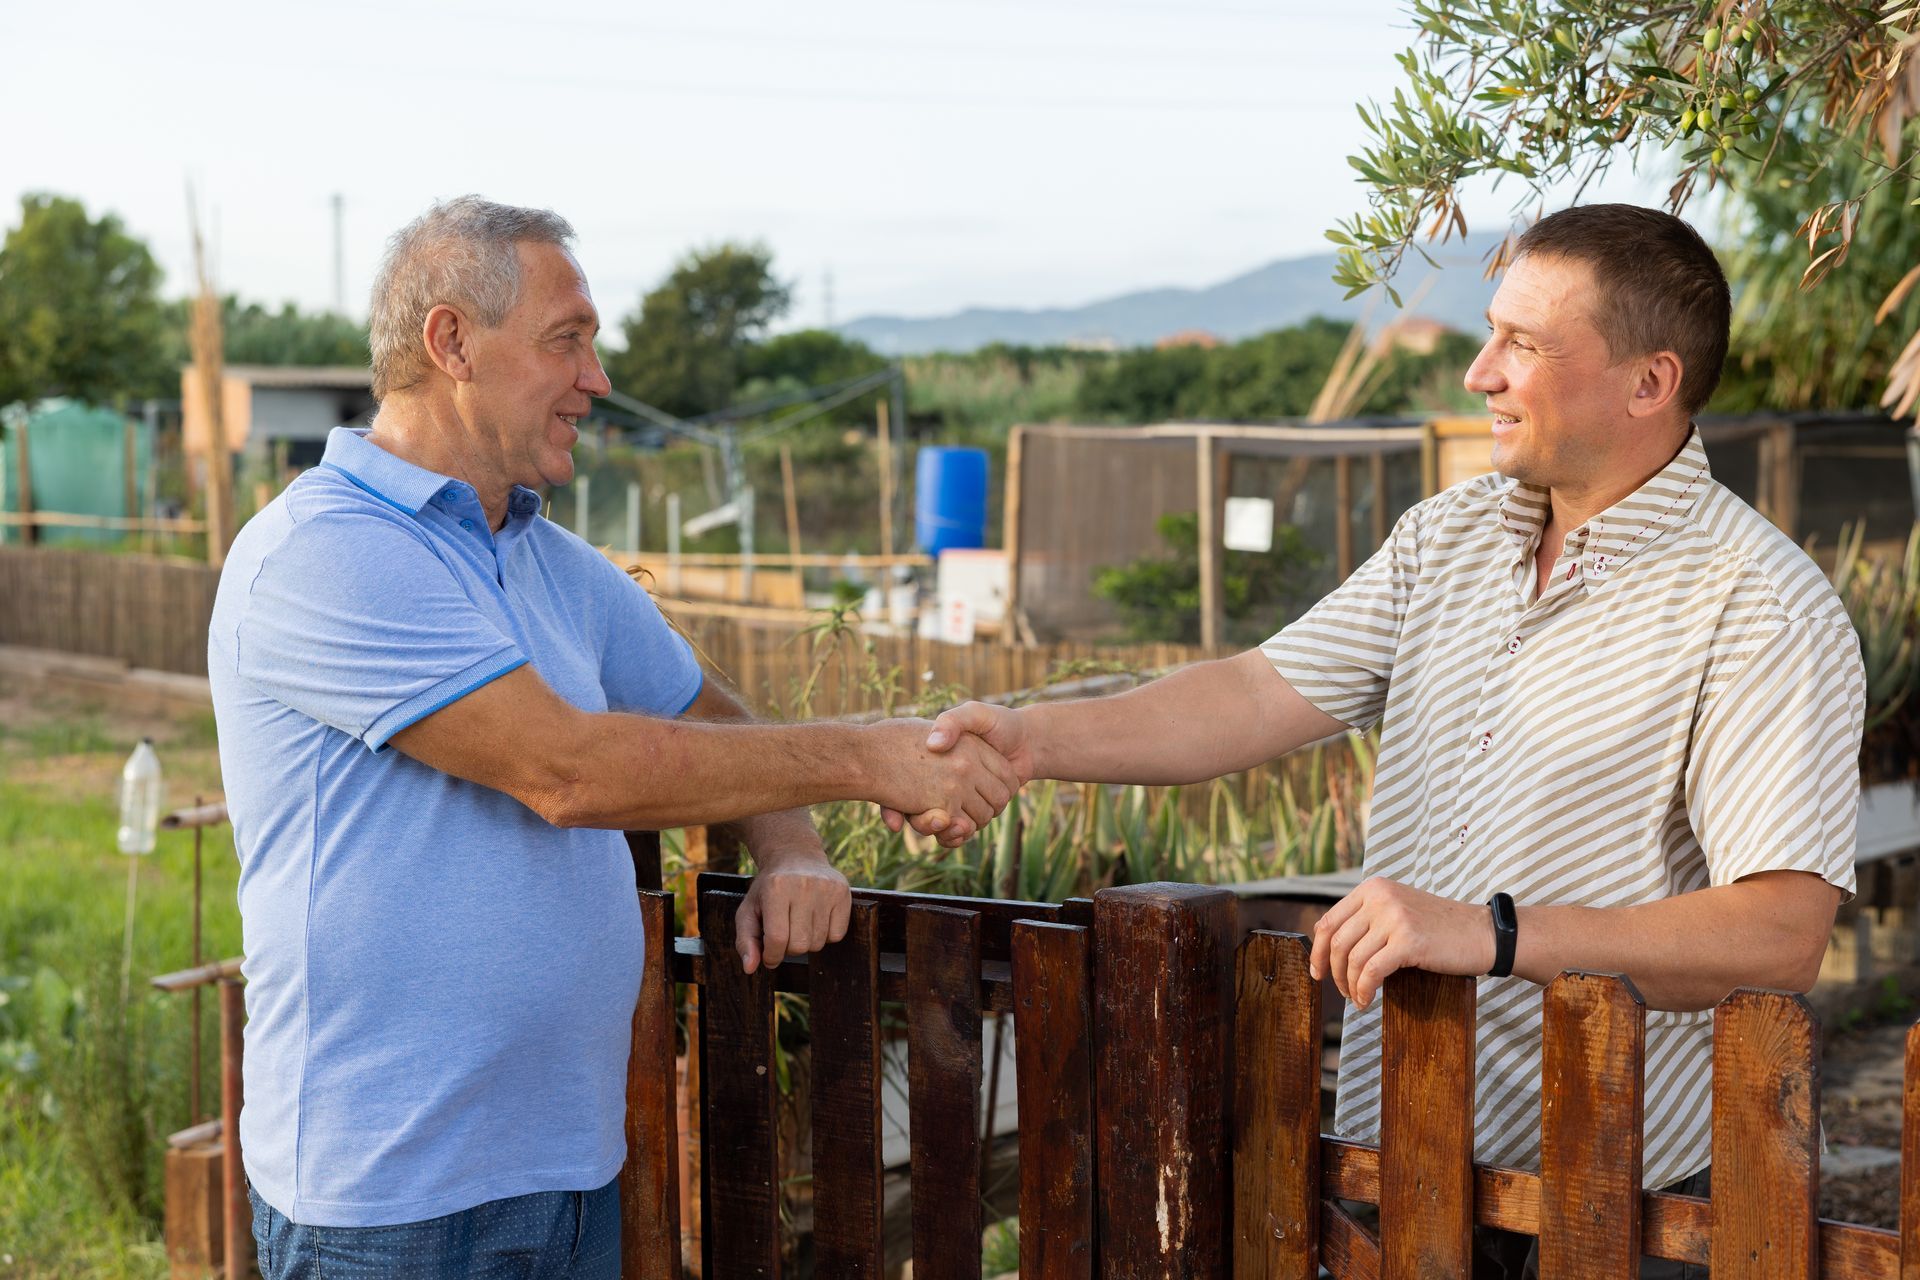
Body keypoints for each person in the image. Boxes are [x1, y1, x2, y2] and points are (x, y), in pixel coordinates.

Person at [903, 203, 1862, 1278]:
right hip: (1401, 1172)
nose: (1479, 373)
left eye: (1525, 345)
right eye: (1489, 332)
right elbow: (1253, 694)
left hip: (1621, 1209)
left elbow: (1781, 932)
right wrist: (1027, 740)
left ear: (1650, 382)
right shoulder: (1446, 536)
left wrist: (1492, 931)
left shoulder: (1761, 606)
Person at [208, 196, 1016, 1279]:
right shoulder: (327, 553)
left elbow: (710, 712)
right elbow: (567, 768)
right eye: (567, 340)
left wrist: (792, 843)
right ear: (451, 342)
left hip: (567, 1176)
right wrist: (870, 755)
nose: (596, 379)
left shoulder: (548, 562)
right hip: (385, 1202)